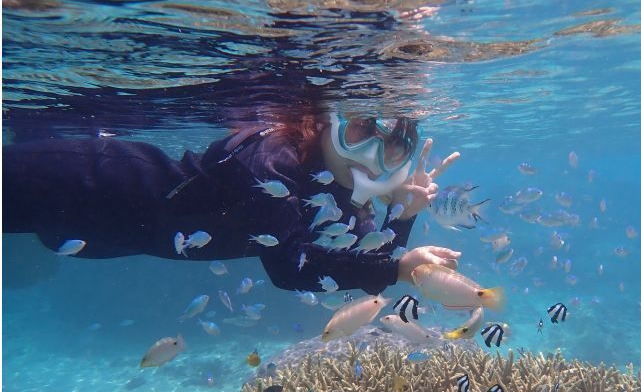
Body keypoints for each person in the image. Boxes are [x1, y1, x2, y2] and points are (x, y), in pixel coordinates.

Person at [3, 114, 461, 295]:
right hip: (85, 179)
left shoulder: (337, 194)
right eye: (360, 133)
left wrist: (402, 214)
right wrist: (396, 269)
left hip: (97, 231)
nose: (370, 157)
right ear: (329, 121)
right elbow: (292, 268)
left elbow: (366, 264)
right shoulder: (275, 156)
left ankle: (32, 127)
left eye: (391, 150)